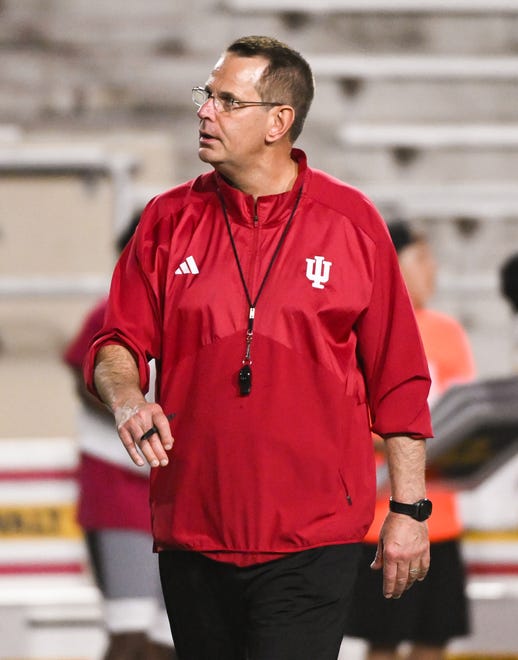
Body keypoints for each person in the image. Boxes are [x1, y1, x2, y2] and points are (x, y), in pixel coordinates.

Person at [84, 36, 433, 660]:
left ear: (280, 121)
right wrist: (127, 398)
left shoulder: (352, 224)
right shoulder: (165, 221)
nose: (205, 111)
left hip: (313, 540)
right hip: (193, 532)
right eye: (206, 95)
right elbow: (118, 343)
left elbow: (399, 379)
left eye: (226, 100)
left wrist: (409, 510)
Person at [345, 220, 476, 660]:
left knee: (435, 635)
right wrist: (407, 441)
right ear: (394, 264)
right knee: (384, 638)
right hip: (381, 518)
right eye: (421, 258)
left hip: (442, 514)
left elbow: (463, 412)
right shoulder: (362, 326)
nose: (432, 269)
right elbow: (353, 416)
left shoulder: (448, 331)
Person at [64, 215, 176, 660]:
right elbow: (83, 376)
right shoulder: (109, 312)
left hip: (174, 490)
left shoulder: (188, 312)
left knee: (173, 637)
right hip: (119, 487)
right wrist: (129, 407)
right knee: (129, 634)